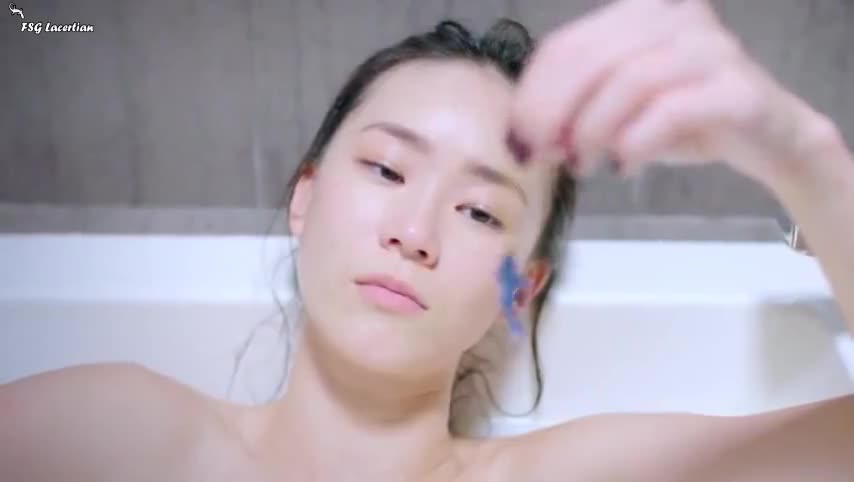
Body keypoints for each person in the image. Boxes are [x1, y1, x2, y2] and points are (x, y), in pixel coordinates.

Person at [2, 1, 853, 481]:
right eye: (386, 169)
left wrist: (803, 155)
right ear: (305, 196)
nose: (414, 234)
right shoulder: (123, 433)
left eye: (480, 212)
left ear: (521, 290)